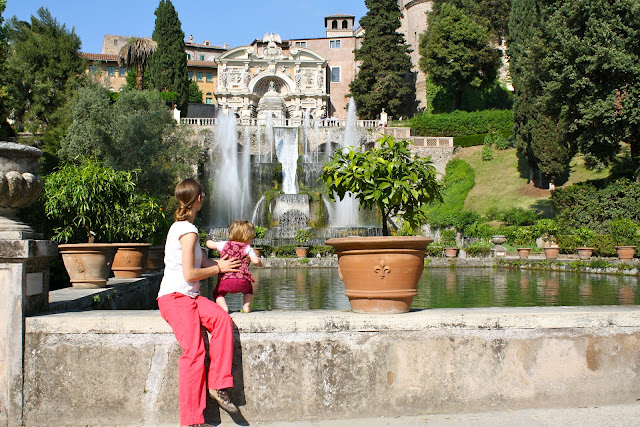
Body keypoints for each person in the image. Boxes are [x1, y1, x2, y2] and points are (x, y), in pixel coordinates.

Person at [157, 178, 242, 427]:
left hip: (191, 297)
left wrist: (233, 262)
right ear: (199, 199)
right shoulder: (187, 231)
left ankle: (218, 385)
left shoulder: (188, 229)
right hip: (175, 297)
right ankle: (192, 421)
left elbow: (205, 263)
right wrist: (219, 269)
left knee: (223, 321)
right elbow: (190, 274)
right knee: (194, 352)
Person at [206, 220, 263, 313]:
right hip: (242, 280)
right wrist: (261, 263)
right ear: (247, 237)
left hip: (225, 280)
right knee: (249, 291)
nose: (252, 241)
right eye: (251, 238)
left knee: (218, 293)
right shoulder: (247, 248)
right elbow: (256, 261)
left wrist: (208, 238)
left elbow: (209, 244)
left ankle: (224, 308)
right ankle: (246, 306)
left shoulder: (224, 244)